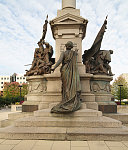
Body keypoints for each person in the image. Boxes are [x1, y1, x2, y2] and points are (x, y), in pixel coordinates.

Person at [51, 41, 81, 113]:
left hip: (65, 70)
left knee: (66, 86)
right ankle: (71, 100)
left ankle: (67, 101)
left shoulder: (64, 53)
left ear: (66, 46)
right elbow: (75, 54)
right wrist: (75, 52)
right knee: (71, 85)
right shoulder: (74, 54)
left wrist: (54, 67)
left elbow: (59, 61)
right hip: (72, 71)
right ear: (71, 47)